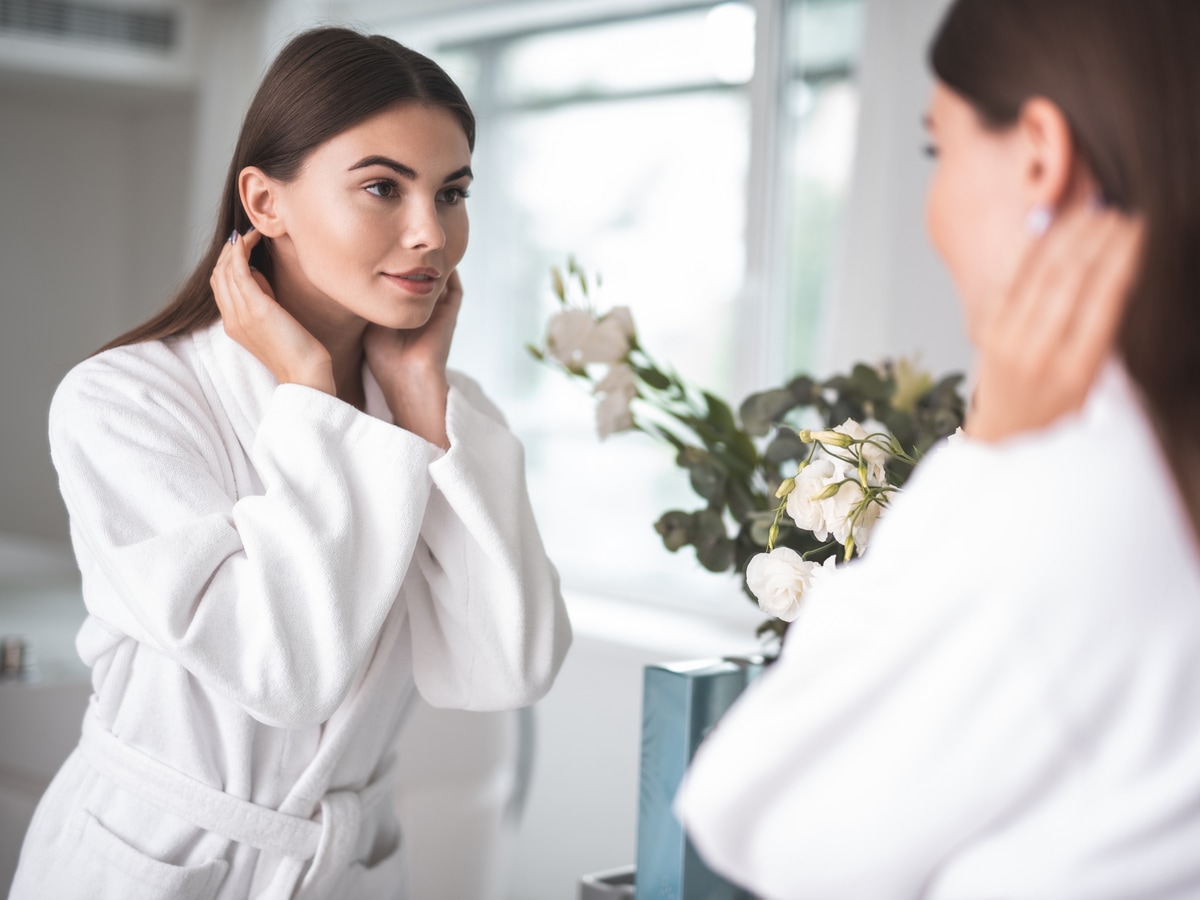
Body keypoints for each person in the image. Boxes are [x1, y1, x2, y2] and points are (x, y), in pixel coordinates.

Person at [10, 26, 571, 900]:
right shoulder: (123, 401)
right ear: (265, 204)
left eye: (451, 192)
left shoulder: (444, 409)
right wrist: (309, 391)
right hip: (154, 862)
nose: (430, 232)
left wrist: (422, 400)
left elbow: (510, 666)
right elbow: (285, 672)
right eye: (383, 187)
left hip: (346, 867)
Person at [676, 0, 1200, 896]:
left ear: (1040, 156)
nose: (933, 205)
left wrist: (991, 456)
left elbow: (756, 819)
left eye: (938, 149)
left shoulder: (1075, 501)